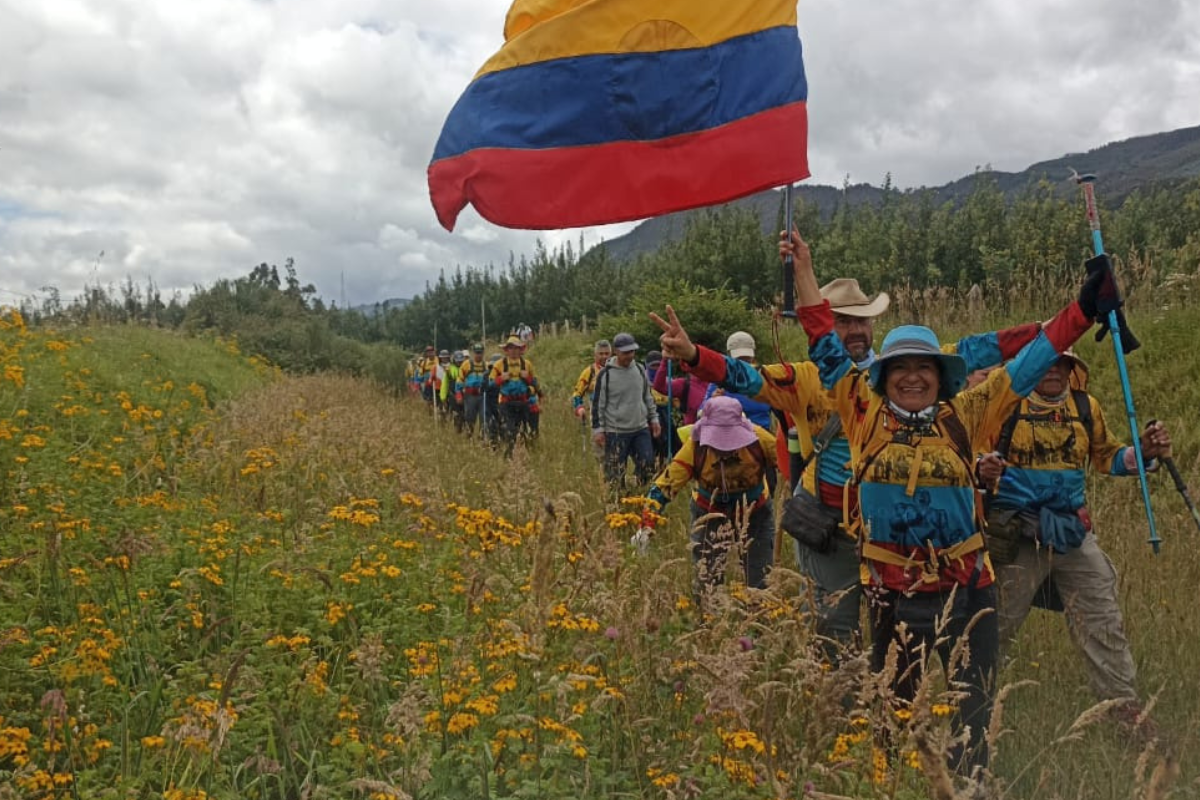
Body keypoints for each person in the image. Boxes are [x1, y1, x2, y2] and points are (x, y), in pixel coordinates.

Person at [653, 228, 1103, 773]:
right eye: (902, 369)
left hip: (967, 587)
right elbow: (813, 340)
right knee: (890, 711)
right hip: (890, 587)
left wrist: (1083, 307)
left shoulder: (971, 409)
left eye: (925, 368)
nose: (913, 377)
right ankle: (876, 772)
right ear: (884, 378)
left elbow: (1036, 356)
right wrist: (791, 277)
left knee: (973, 714)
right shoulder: (861, 409)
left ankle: (967, 784)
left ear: (942, 375)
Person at [659, 277, 1046, 659]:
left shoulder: (902, 367)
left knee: (899, 635)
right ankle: (845, 710)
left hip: (893, 529)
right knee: (835, 629)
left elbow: (978, 349)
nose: (855, 330)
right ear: (827, 326)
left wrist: (1042, 331)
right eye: (842, 321)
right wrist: (694, 355)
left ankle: (890, 702)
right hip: (829, 526)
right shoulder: (807, 379)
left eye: (862, 320)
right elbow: (745, 377)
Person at [976, 349, 1170, 735]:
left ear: (1070, 369)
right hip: (1017, 536)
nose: (1053, 370)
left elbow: (1108, 456)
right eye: (1045, 363)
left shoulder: (1085, 407)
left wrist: (1143, 453)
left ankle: (1124, 713)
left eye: (1060, 363)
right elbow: (975, 453)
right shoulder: (1005, 405)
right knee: (993, 624)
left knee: (1103, 620)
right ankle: (972, 708)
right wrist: (984, 468)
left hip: (1072, 535)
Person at [647, 395, 778, 600]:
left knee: (760, 580)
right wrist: (645, 524)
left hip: (756, 514)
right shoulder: (695, 446)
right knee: (707, 579)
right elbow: (667, 484)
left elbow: (792, 467)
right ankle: (709, 623)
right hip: (708, 514)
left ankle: (758, 625)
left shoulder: (760, 439)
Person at [592, 332, 661, 488]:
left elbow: (647, 396)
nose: (629, 356)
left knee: (648, 465)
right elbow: (598, 405)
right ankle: (617, 503)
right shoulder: (606, 374)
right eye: (625, 352)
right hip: (615, 431)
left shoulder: (639, 369)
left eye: (632, 351)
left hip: (640, 428)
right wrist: (598, 429)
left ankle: (642, 497)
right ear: (616, 351)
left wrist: (654, 419)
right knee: (615, 475)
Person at [489, 336, 540, 455]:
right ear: (506, 350)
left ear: (520, 349)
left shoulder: (527, 364)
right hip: (506, 403)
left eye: (516, 348)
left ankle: (523, 455)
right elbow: (490, 384)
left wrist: (528, 380)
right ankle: (509, 456)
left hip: (523, 402)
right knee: (509, 430)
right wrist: (501, 378)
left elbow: (535, 383)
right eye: (511, 348)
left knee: (523, 430)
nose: (514, 350)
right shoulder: (499, 365)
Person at [571, 340, 612, 422]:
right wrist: (579, 408)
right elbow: (577, 394)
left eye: (607, 354)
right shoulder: (589, 372)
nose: (604, 356)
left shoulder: (617, 370)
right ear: (595, 355)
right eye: (601, 354)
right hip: (597, 419)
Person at [457, 343, 489, 438]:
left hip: (482, 395)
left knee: (484, 417)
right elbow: (459, 380)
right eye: (476, 353)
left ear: (483, 353)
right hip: (470, 395)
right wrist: (458, 394)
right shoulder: (466, 365)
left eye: (480, 353)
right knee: (470, 417)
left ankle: (483, 438)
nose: (478, 355)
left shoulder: (486, 365)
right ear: (473, 353)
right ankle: (469, 437)